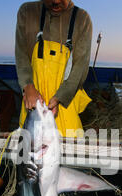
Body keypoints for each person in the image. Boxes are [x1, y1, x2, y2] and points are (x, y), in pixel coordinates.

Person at [15, 0, 93, 137]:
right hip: (33, 101)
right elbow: (21, 54)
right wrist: (28, 86)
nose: (56, 2)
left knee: (68, 153)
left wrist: (59, 98)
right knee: (31, 150)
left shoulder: (82, 19)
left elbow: (80, 68)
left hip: (65, 103)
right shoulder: (27, 12)